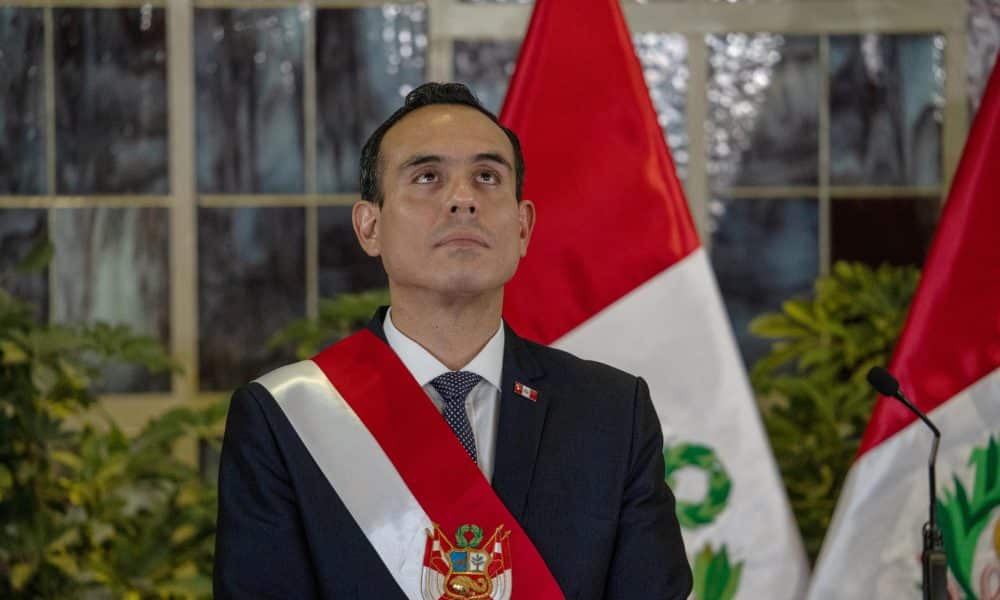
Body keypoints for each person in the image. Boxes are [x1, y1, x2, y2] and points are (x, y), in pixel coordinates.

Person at [214, 82, 692, 599]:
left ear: (524, 226)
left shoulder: (611, 413)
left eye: (487, 177)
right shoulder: (284, 419)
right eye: (427, 177)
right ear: (369, 226)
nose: (463, 199)